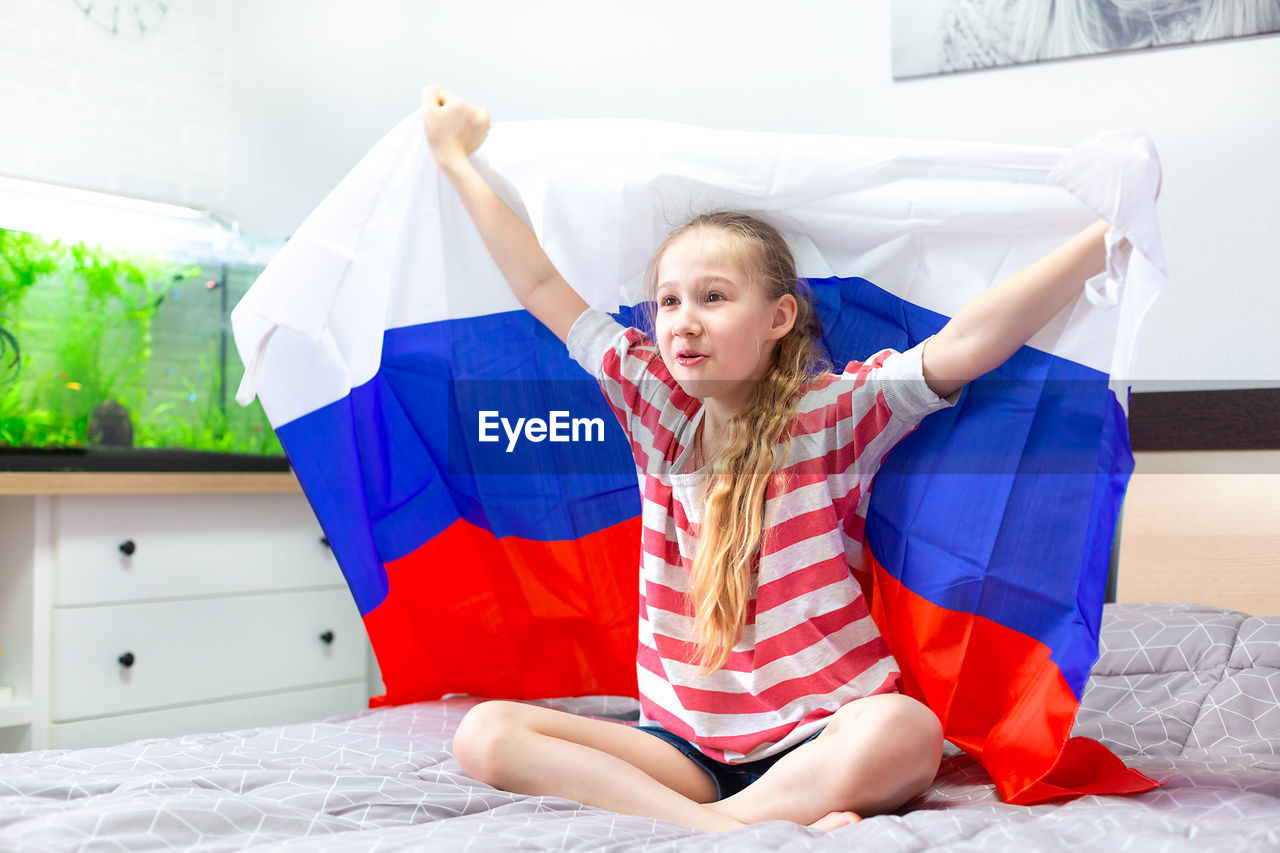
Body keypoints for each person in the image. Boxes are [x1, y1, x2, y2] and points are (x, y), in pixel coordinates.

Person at [422, 84, 1116, 834]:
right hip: (681, 745)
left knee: (908, 731)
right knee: (484, 733)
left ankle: (723, 822)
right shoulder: (653, 409)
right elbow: (537, 283)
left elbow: (967, 344)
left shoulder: (831, 415)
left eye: (713, 297)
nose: (683, 321)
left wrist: (1106, 236)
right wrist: (454, 158)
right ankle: (732, 830)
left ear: (778, 317)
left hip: (820, 734)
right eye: (668, 302)